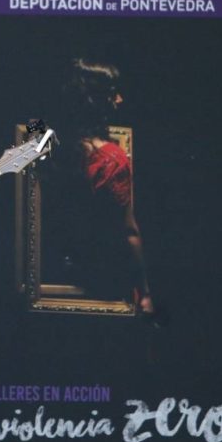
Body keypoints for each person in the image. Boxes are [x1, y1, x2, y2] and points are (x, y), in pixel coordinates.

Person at [41, 59, 153, 313]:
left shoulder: (50, 151)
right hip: (105, 283)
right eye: (114, 93)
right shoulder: (112, 160)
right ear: (97, 100)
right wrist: (145, 292)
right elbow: (129, 233)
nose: (121, 99)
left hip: (54, 276)